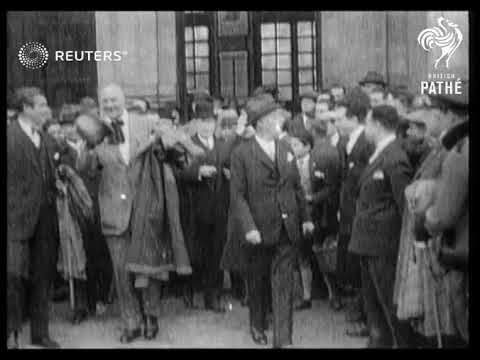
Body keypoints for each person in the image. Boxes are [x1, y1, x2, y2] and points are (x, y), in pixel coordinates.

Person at [222, 94, 314, 348]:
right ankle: (257, 324)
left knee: (284, 284)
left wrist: (305, 218)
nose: (279, 122)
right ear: (261, 122)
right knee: (258, 281)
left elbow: (295, 187)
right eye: (274, 118)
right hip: (258, 230)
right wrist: (249, 227)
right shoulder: (242, 154)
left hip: (287, 228)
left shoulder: (285, 148)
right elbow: (237, 196)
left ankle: (283, 340)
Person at [76, 84, 162, 343]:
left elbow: (162, 151)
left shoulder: (144, 122)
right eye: (106, 101)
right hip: (114, 211)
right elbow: (86, 170)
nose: (110, 105)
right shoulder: (95, 130)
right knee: (122, 271)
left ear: (123, 100)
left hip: (144, 206)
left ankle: (151, 316)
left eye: (114, 100)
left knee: (147, 266)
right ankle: (131, 322)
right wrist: (87, 148)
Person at [349, 105, 413, 347]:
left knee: (390, 307)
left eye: (367, 123)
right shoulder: (380, 152)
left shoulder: (395, 157)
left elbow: (404, 205)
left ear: (377, 124)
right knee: (375, 308)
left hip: (385, 245)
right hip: (369, 243)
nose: (365, 128)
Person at [7, 87, 60, 348]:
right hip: (14, 220)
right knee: (13, 277)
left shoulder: (46, 138)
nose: (46, 109)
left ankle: (40, 334)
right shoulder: (9, 136)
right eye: (42, 105)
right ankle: (12, 334)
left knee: (43, 275)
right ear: (26, 108)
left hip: (45, 219)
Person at [175, 100, 230, 312]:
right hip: (194, 209)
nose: (207, 126)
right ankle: (188, 291)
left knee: (216, 253)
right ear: (195, 123)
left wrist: (230, 174)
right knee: (195, 253)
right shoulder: (186, 144)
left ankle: (212, 297)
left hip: (219, 209)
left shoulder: (223, 144)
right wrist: (197, 173)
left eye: (210, 122)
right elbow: (178, 172)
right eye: (203, 122)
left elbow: (231, 167)